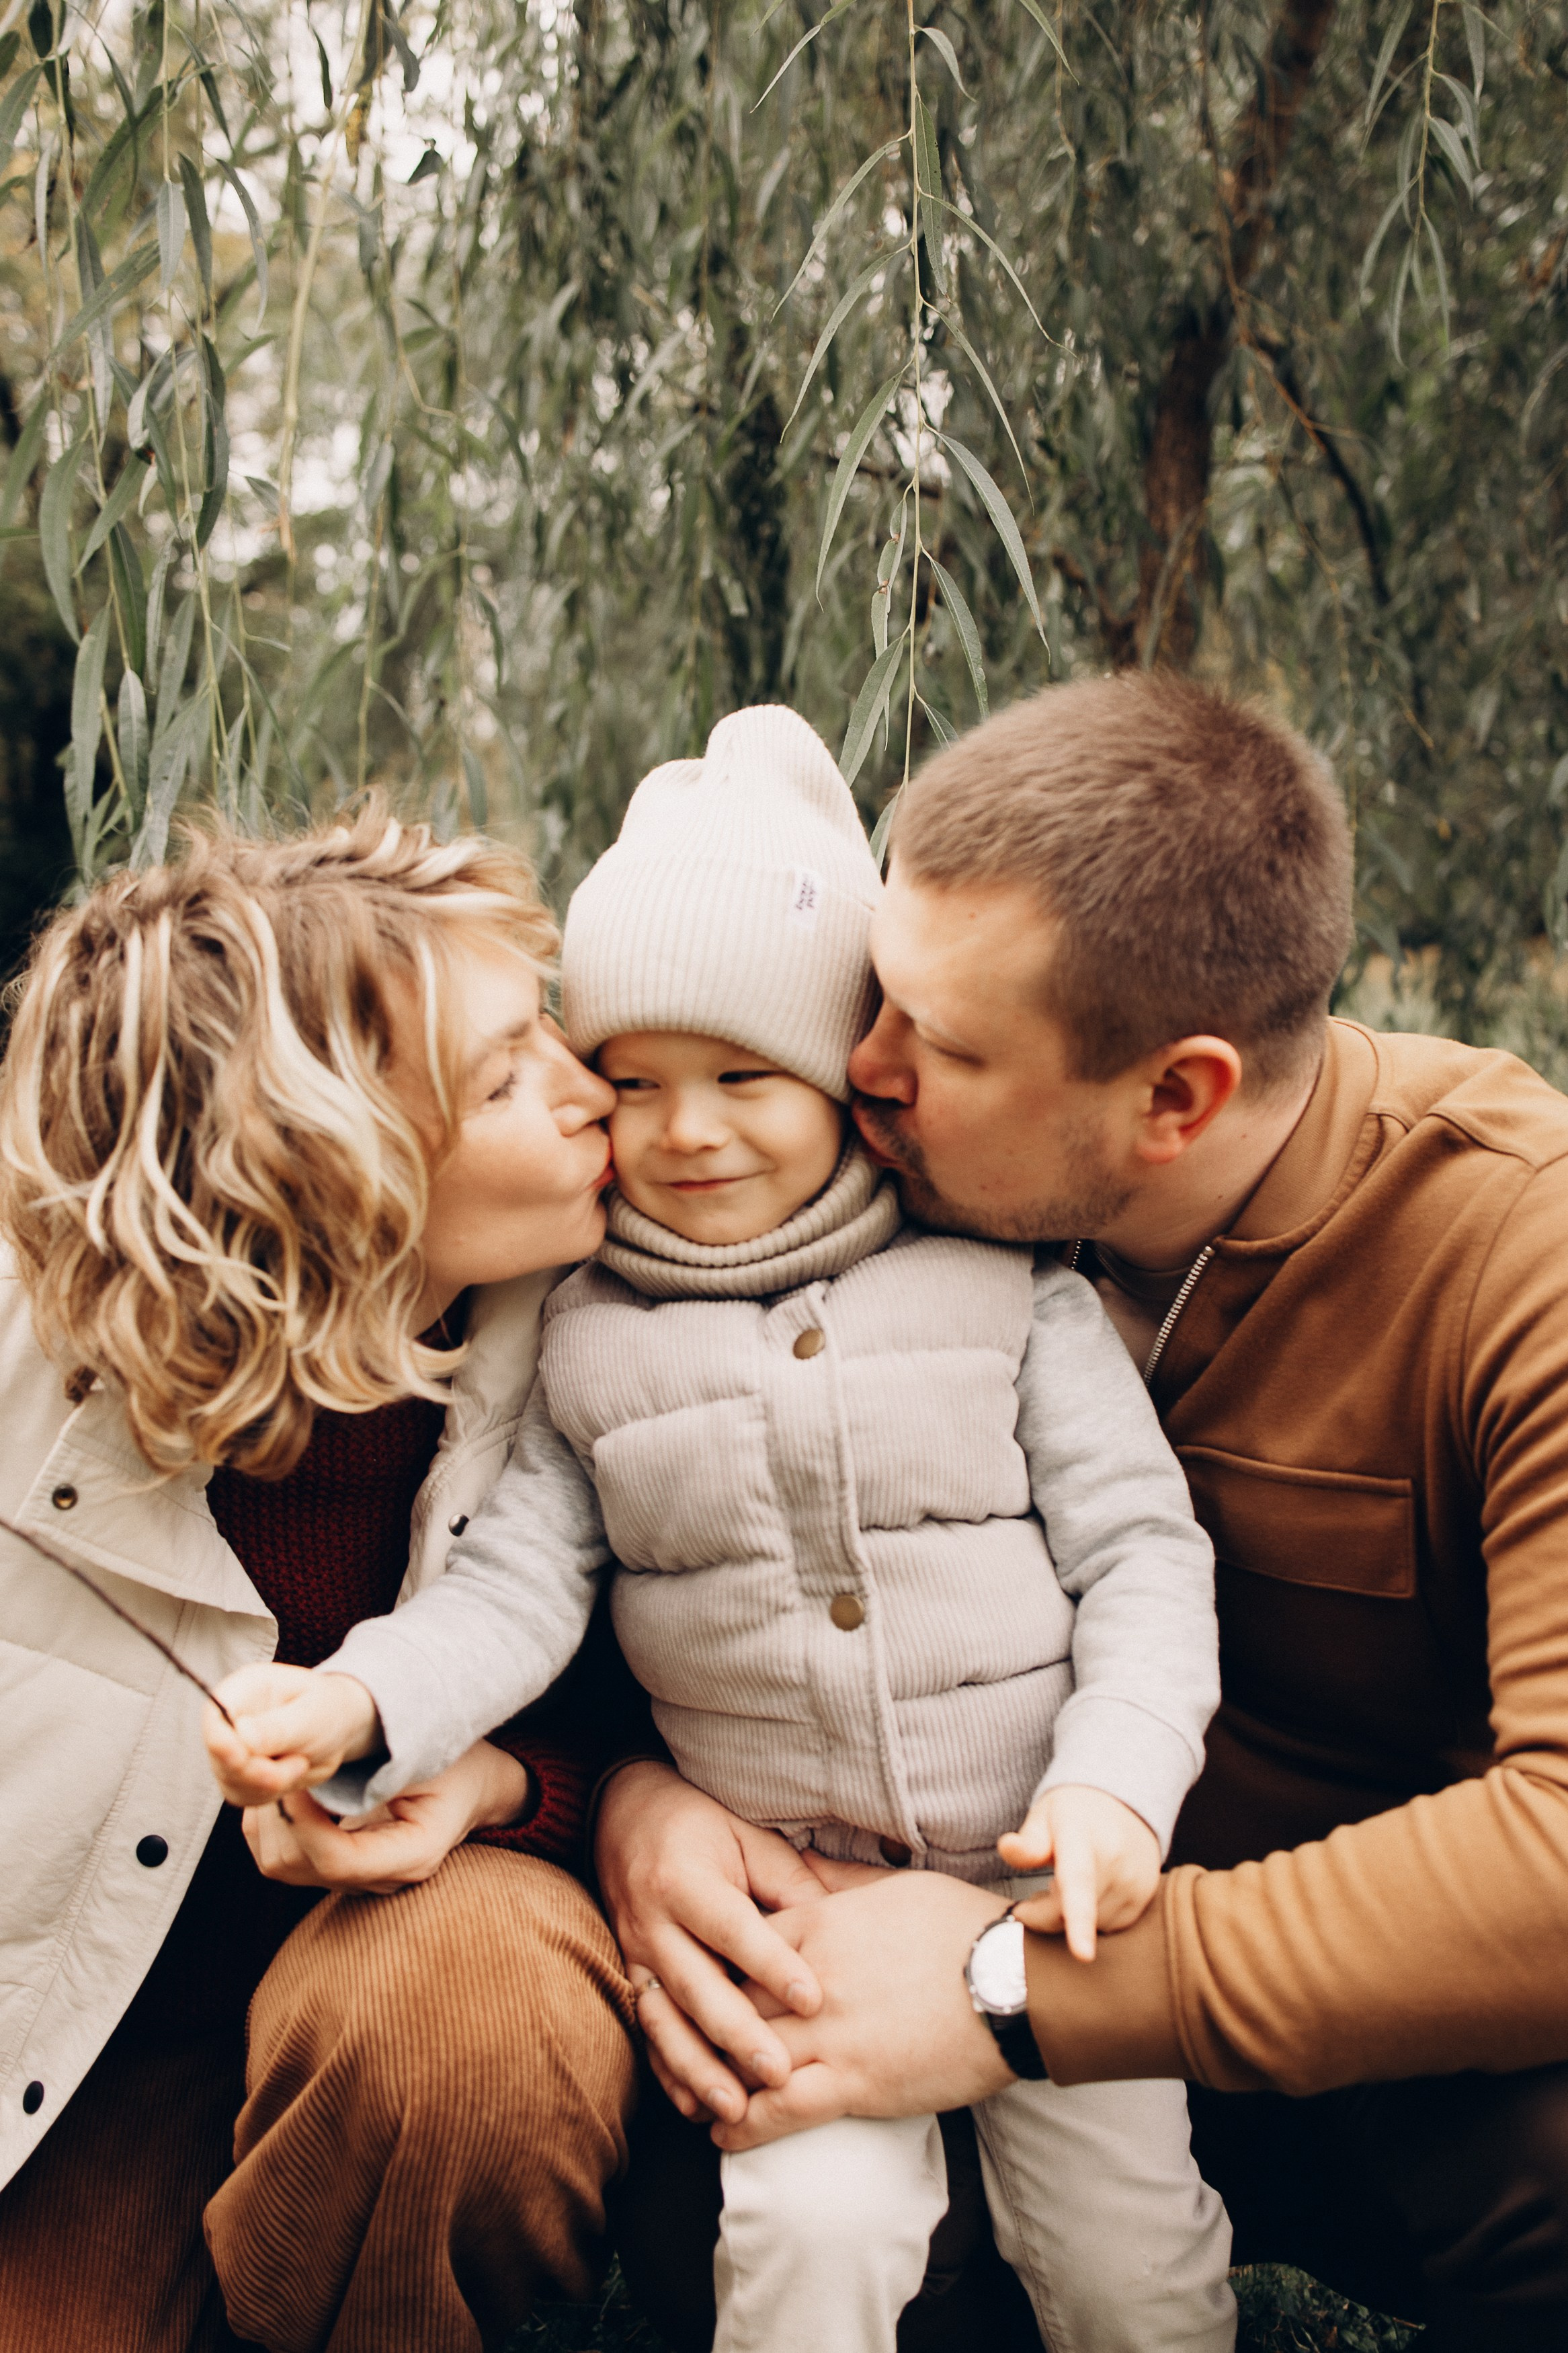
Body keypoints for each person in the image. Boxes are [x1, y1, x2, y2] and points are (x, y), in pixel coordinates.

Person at [206, 707, 1235, 2353]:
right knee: (809, 2245)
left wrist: (1115, 1782)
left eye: (744, 1077)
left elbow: (1142, 1555)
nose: (684, 1132)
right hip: (786, 1927)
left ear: (844, 1075)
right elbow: (515, 1584)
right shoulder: (582, 1335)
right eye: (634, 1081)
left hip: (1054, 1897)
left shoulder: (998, 1290)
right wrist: (372, 1701)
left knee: (1129, 2258)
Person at [592, 670, 1568, 2353]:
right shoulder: (826, 1209)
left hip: (1335, 2025)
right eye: (871, 1001)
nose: (856, 1067)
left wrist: (1018, 1993)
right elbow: (655, 1528)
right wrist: (629, 1801)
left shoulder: (1517, 1256)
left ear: (1173, 1099)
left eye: (941, 1044)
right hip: (889, 1915)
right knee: (772, 2226)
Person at [0, 806, 637, 2353]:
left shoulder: (631, 1330)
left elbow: (728, 1709)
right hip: (99, 2040)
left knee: (460, 2021)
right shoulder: (35, 1394)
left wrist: (500, 1787)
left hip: (419, 1965)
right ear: (326, 1175)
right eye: (502, 1075)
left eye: (543, 1024)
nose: (586, 1082)